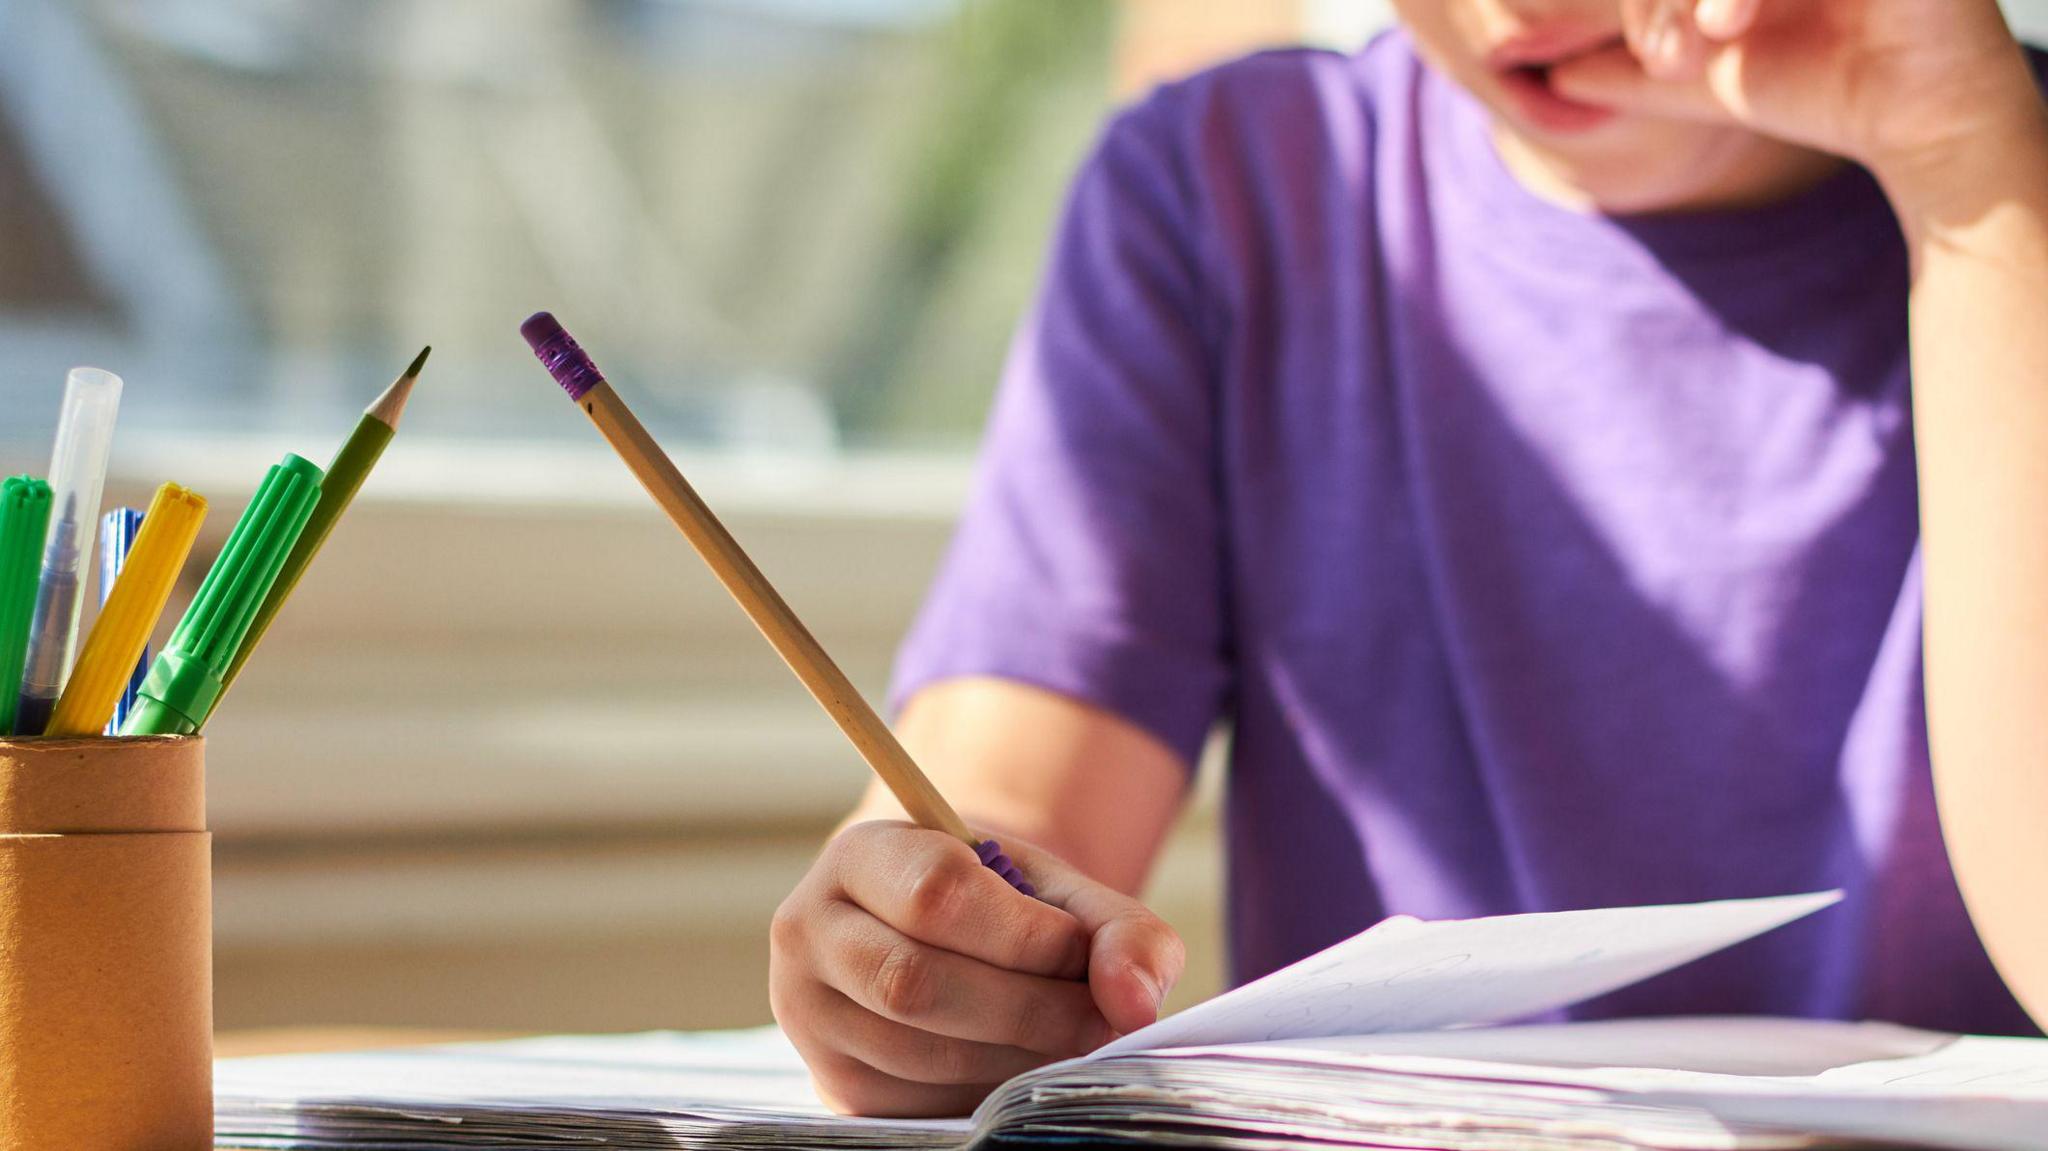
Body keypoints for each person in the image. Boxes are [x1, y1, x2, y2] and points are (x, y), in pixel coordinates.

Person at [768, 0, 2048, 1118]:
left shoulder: (2009, 176)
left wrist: (1965, 162)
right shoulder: (1228, 195)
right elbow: (1006, 809)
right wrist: (925, 946)